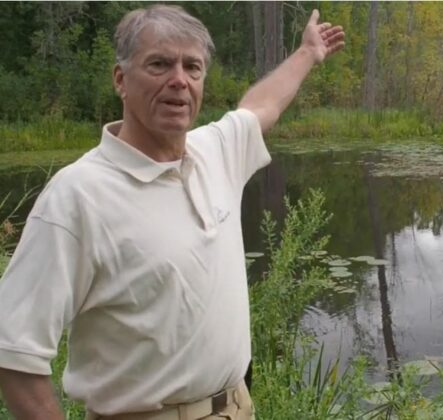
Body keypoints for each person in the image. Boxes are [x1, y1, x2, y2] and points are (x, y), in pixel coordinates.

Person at [0, 4, 344, 419]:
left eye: (192, 68)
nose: (179, 80)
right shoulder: (78, 196)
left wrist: (307, 52)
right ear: (120, 80)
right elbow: (13, 354)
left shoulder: (214, 152)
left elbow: (259, 107)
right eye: (159, 64)